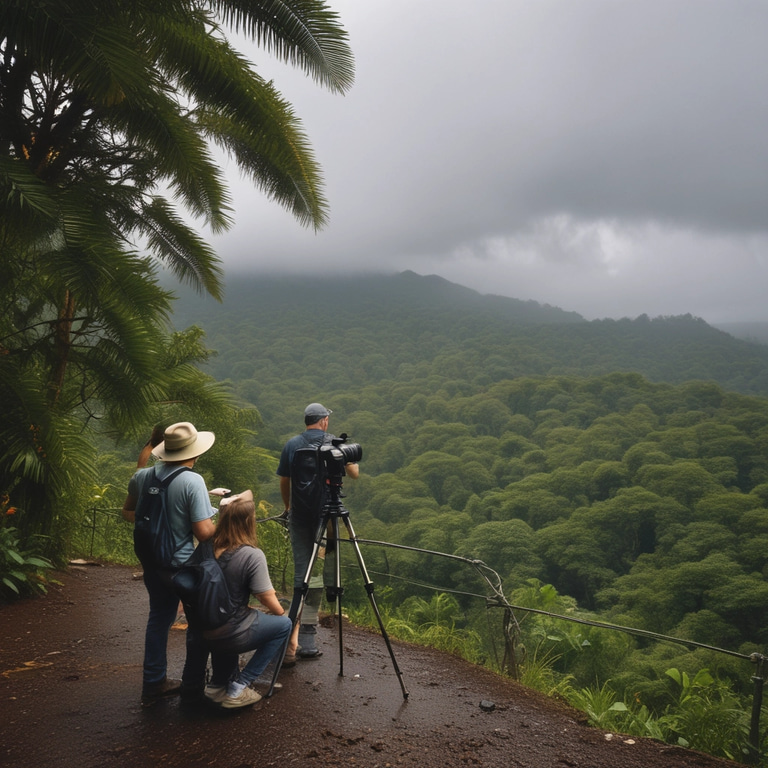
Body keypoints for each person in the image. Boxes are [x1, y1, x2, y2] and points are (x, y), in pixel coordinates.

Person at [122, 421, 233, 707]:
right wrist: (224, 520)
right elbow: (204, 533)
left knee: (158, 618)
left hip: (151, 562)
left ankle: (154, 681)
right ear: (194, 452)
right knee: (198, 623)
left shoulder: (142, 476)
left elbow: (127, 512)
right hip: (183, 567)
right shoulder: (192, 481)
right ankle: (194, 686)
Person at [276, 403, 359, 664]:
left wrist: (289, 508)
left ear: (306, 421)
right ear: (324, 421)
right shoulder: (334, 443)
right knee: (320, 573)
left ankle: (289, 641)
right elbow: (354, 473)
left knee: (302, 573)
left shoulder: (292, 445)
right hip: (327, 518)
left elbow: (284, 480)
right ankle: (309, 639)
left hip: (300, 515)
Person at [201, 490, 292, 709]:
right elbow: (265, 595)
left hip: (203, 629)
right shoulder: (251, 554)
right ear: (249, 522)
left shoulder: (206, 546)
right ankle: (240, 686)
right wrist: (283, 614)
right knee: (284, 625)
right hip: (231, 633)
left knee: (233, 618)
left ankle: (217, 685)